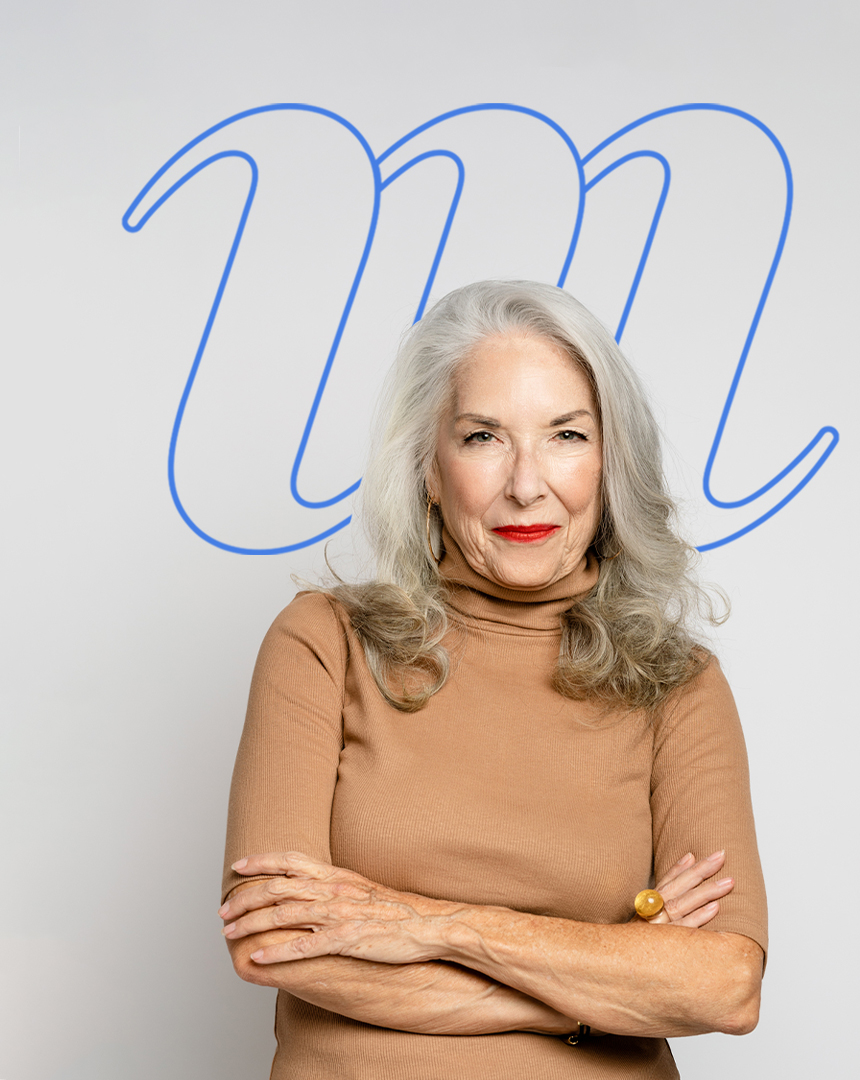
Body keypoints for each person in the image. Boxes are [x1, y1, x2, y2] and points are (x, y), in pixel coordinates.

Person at [219, 280, 767, 1079]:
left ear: (611, 462)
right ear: (429, 468)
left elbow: (724, 984)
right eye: (483, 437)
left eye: (566, 435)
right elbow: (277, 942)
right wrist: (611, 980)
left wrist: (428, 925)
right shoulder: (323, 643)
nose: (525, 484)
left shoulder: (677, 683)